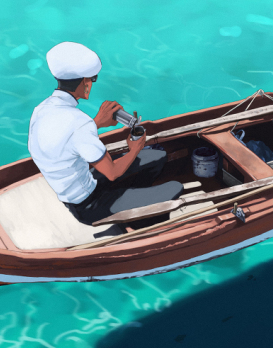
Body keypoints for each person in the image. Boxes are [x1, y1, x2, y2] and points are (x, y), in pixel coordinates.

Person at [28, 42, 182, 226]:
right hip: (88, 206)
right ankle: (142, 221)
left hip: (77, 187)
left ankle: (131, 201)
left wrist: (97, 123)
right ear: (86, 82)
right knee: (175, 187)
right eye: (92, 80)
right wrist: (134, 148)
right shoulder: (79, 122)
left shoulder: (42, 109)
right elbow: (112, 173)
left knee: (158, 156)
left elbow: (67, 138)